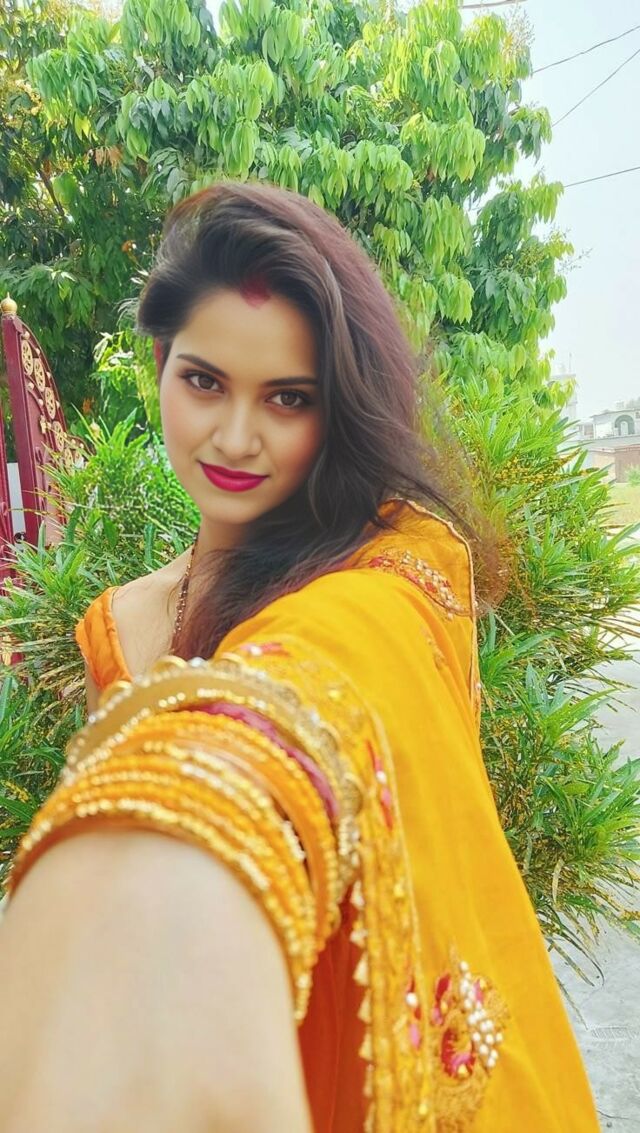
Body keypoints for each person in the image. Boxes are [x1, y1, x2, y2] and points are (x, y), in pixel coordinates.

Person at [0, 181, 599, 1132]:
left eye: (288, 398)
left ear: (338, 412)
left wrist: (195, 814)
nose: (235, 437)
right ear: (160, 366)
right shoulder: (119, 622)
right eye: (204, 381)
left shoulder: (397, 569)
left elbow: (322, 669)